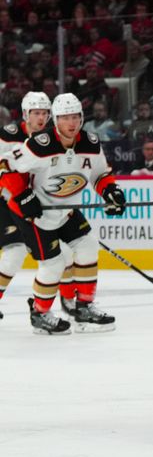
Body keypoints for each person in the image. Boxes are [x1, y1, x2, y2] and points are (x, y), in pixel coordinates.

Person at [0, 93, 124, 335]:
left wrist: (111, 191)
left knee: (88, 244)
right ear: (56, 120)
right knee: (54, 262)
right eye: (66, 117)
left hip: (65, 210)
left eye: (76, 116)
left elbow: (100, 174)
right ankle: (40, 313)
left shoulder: (90, 142)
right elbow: (6, 166)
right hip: (34, 214)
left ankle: (84, 307)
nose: (72, 123)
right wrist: (23, 196)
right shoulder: (39, 144)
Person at [0, 91, 51, 320]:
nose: (40, 118)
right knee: (15, 251)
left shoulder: (51, 138)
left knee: (21, 253)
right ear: (25, 115)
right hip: (4, 200)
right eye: (36, 113)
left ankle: (64, 301)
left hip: (24, 202)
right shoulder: (8, 136)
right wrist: (21, 195)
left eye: (44, 113)